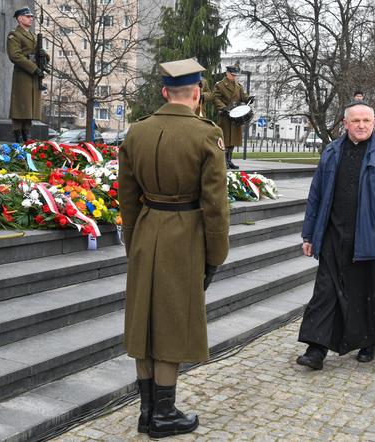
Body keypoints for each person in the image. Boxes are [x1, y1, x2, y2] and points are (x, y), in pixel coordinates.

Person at [118, 58, 230, 438]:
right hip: (184, 236)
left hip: (147, 230)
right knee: (170, 324)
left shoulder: (136, 132)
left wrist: (132, 242)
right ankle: (163, 415)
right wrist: (216, 256)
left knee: (143, 322)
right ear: (197, 94)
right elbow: (215, 205)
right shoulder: (206, 134)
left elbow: (127, 198)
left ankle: (147, 411)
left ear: (165, 92)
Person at [296, 100, 375, 370]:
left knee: (368, 292)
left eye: (366, 121)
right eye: (355, 121)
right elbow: (316, 195)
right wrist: (309, 235)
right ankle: (316, 349)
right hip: (334, 235)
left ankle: (369, 342)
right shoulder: (332, 152)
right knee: (325, 292)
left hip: (369, 237)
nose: (361, 125)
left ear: (374, 123)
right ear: (345, 124)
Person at [7, 6, 48, 144]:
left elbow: (39, 53)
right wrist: (33, 68)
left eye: (31, 16)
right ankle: (18, 135)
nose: (31, 18)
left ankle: (27, 135)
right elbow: (15, 55)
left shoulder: (31, 35)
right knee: (21, 106)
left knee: (29, 107)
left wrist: (44, 55)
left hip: (33, 76)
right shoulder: (14, 35)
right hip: (23, 76)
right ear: (20, 18)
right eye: (28, 16)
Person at [213, 64, 253, 169]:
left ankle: (229, 160)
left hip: (236, 117)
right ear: (227, 73)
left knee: (233, 141)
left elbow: (243, 97)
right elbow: (216, 98)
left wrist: (249, 99)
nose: (234, 77)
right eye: (232, 75)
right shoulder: (220, 85)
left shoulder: (238, 86)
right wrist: (223, 107)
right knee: (225, 140)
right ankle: (223, 161)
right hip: (225, 116)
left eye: (235, 75)